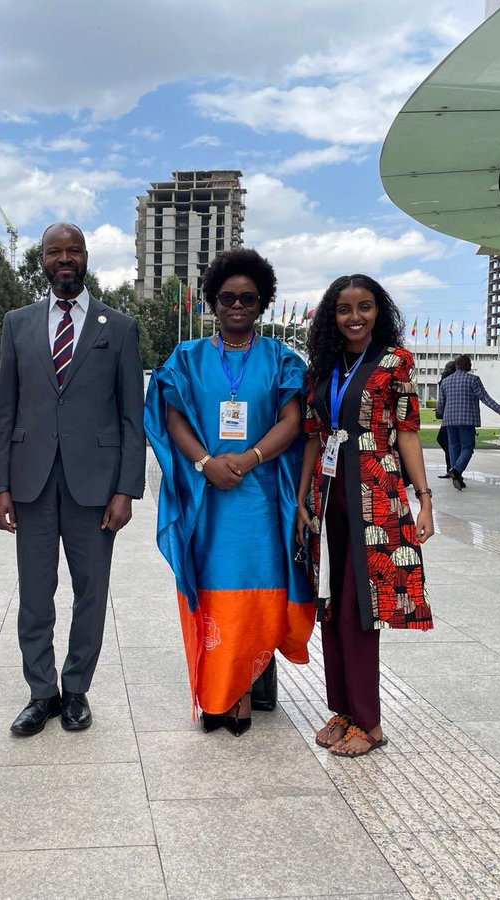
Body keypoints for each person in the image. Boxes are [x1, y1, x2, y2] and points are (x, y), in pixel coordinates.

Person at [144, 249, 314, 736]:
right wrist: (204, 463)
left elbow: (293, 420)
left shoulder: (281, 359)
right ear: (212, 303)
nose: (237, 305)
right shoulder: (188, 357)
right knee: (216, 594)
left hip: (260, 499)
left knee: (257, 594)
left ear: (262, 303)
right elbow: (171, 415)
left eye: (248, 298)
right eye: (227, 298)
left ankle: (240, 692)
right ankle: (217, 691)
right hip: (208, 500)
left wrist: (251, 458)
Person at [0, 222, 146, 736]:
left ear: (86, 257)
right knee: (35, 594)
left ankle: (76, 689)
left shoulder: (118, 327)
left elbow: (130, 416)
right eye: (54, 251)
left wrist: (126, 489)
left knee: (90, 593)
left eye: (72, 250)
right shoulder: (17, 323)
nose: (64, 258)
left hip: (95, 487)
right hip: (31, 482)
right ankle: (41, 693)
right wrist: (0, 485)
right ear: (42, 260)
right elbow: (5, 409)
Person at [296, 274, 435, 758]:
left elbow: (409, 432)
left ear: (380, 311)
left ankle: (370, 723)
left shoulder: (395, 363)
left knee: (361, 607)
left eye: (365, 307)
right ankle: (343, 710)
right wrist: (301, 498)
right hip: (328, 494)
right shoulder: (323, 369)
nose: (355, 317)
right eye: (344, 309)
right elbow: (314, 435)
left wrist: (424, 499)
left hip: (375, 495)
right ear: (331, 317)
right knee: (331, 605)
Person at [436, 354, 500, 490]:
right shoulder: (473, 380)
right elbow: (485, 398)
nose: (471, 365)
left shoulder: (446, 382)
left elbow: (440, 404)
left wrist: (441, 415)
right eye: (469, 362)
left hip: (449, 421)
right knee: (467, 448)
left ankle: (457, 476)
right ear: (466, 365)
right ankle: (456, 471)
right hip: (466, 420)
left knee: (454, 447)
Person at [434, 359, 456, 479]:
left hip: (448, 417)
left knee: (445, 441)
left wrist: (439, 409)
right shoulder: (447, 381)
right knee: (447, 442)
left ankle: (452, 467)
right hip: (450, 416)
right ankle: (452, 467)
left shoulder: (445, 382)